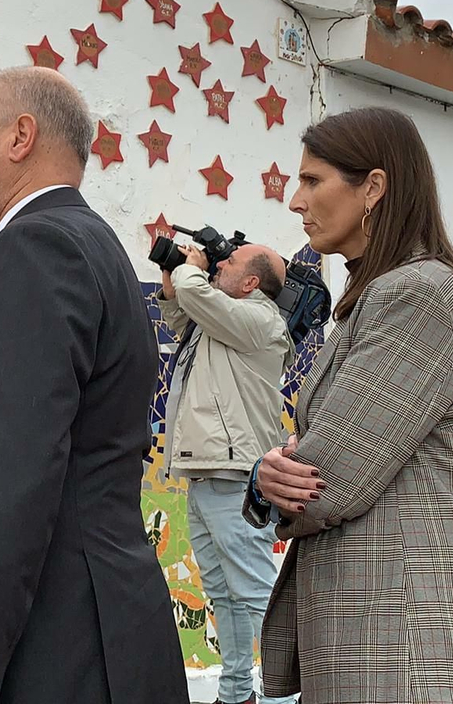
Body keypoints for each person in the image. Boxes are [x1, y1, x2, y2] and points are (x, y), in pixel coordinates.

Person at [0, 67, 188, 704]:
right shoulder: (87, 244)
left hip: (47, 654)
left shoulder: (38, 249)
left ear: (20, 136)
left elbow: (7, 495)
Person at [247, 106, 453, 704]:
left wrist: (277, 479)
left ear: (373, 188)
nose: (295, 201)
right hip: (385, 628)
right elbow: (321, 460)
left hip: (420, 641)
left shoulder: (419, 294)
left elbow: (330, 476)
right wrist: (266, 476)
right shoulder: (381, 294)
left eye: (312, 181)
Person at [157, 241, 296, 704]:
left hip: (236, 477)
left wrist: (191, 272)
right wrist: (171, 273)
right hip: (206, 474)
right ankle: (237, 693)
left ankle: (286, 697)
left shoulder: (261, 321)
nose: (218, 264)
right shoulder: (221, 317)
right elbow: (180, 316)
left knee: (257, 596)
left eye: (230, 263)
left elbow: (195, 297)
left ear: (252, 282)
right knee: (224, 594)